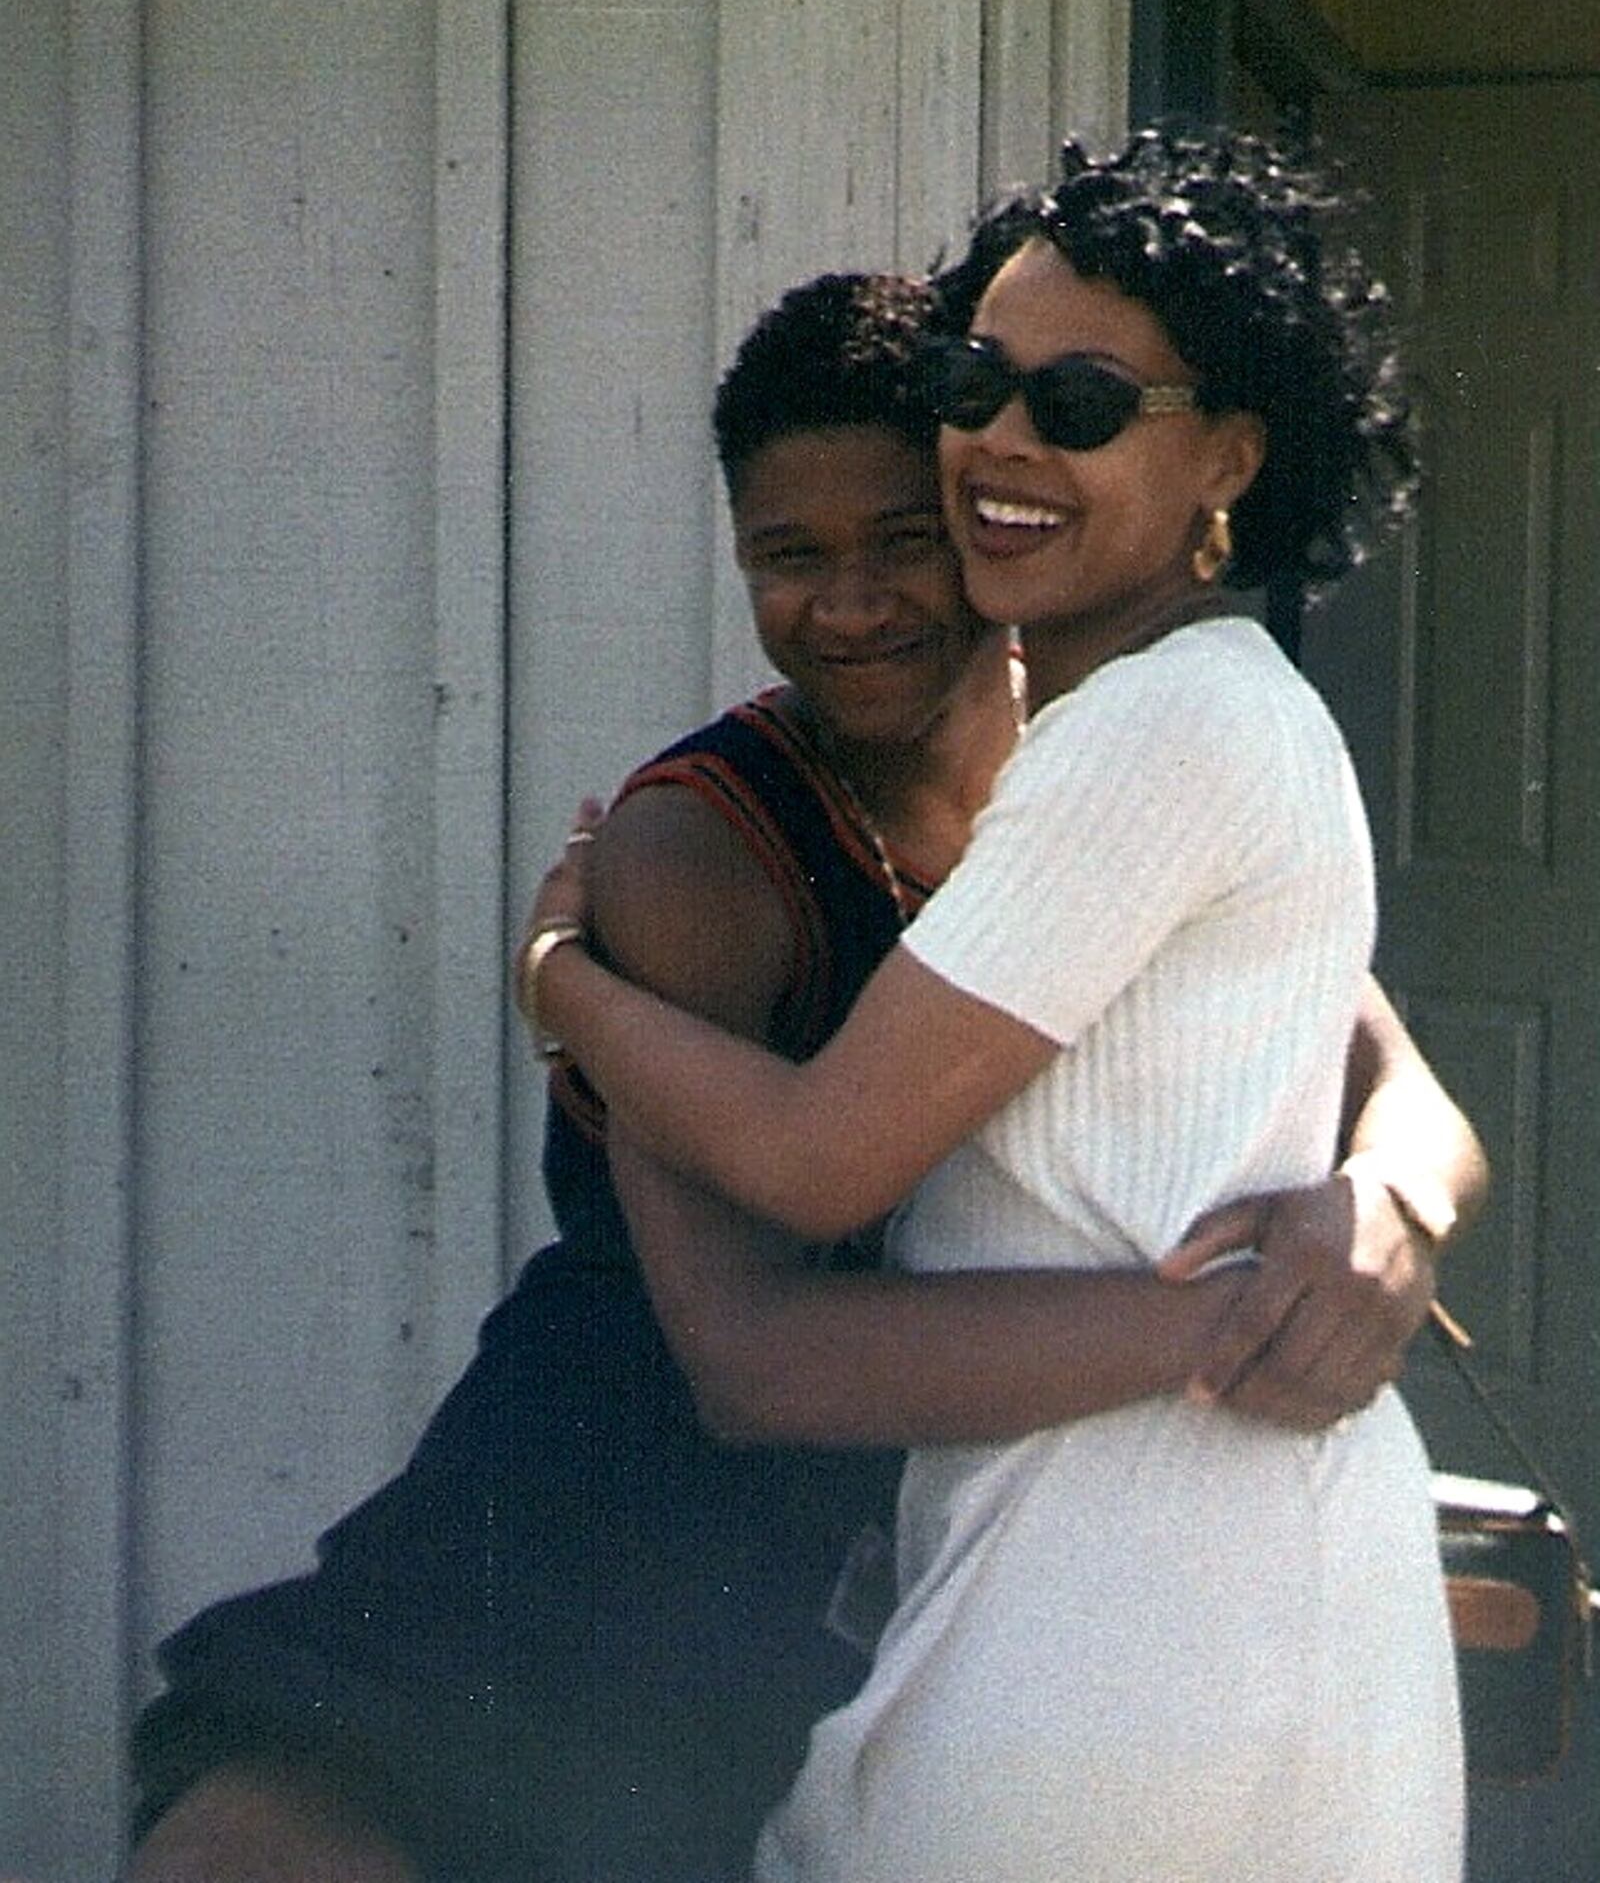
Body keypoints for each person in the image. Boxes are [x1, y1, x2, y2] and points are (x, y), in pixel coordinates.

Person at [127, 264, 1481, 1883]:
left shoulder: (1090, 780)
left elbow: (1377, 1048)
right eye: (788, 557)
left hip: (919, 1535)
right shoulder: (699, 845)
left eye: (903, 541)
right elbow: (751, 1362)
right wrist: (568, 974)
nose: (852, 606)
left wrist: (1386, 1200)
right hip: (626, 1518)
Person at [522, 131, 1468, 1882]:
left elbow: (812, 1169)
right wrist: (1403, 1184)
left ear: (1229, 462)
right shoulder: (1210, 714)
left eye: (1086, 401)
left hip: (1130, 1614)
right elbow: (1391, 1065)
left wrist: (563, 978)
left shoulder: (1151, 735)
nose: (1006, 441)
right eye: (980, 381)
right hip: (1216, 1575)